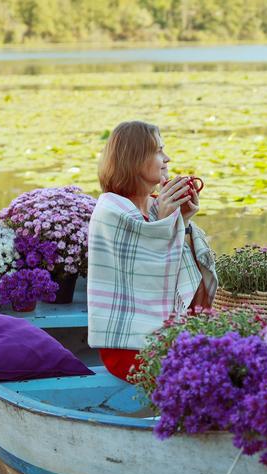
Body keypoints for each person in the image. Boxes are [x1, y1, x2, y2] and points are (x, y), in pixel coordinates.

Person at [87, 120, 218, 382]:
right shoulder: (111, 211)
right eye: (159, 151)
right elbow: (148, 271)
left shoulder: (155, 206)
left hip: (172, 336)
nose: (166, 158)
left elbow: (179, 266)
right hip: (130, 348)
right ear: (136, 159)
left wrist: (184, 221)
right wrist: (168, 223)